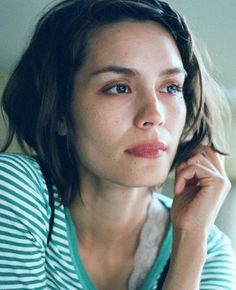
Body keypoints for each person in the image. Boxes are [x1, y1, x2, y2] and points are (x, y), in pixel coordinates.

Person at [0, 0, 235, 289]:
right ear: (60, 112)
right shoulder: (13, 190)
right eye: (119, 88)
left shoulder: (208, 251)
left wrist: (189, 243)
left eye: (171, 87)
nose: (154, 115)